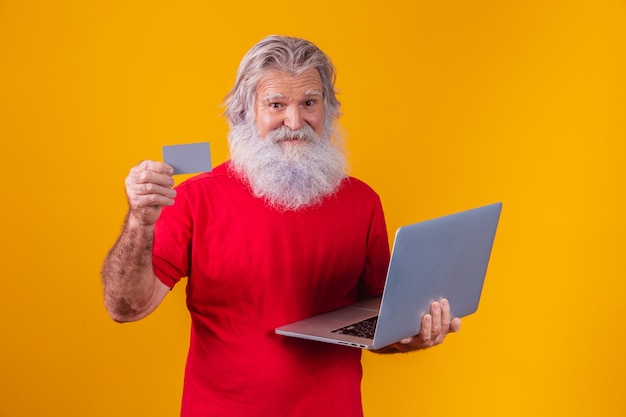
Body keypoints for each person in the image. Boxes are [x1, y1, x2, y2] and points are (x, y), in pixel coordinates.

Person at [101, 35, 461, 417]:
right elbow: (126, 307)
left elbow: (378, 326)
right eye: (276, 104)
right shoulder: (193, 199)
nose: (295, 122)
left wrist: (411, 336)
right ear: (244, 113)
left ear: (329, 110)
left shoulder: (362, 201)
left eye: (309, 103)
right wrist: (140, 222)